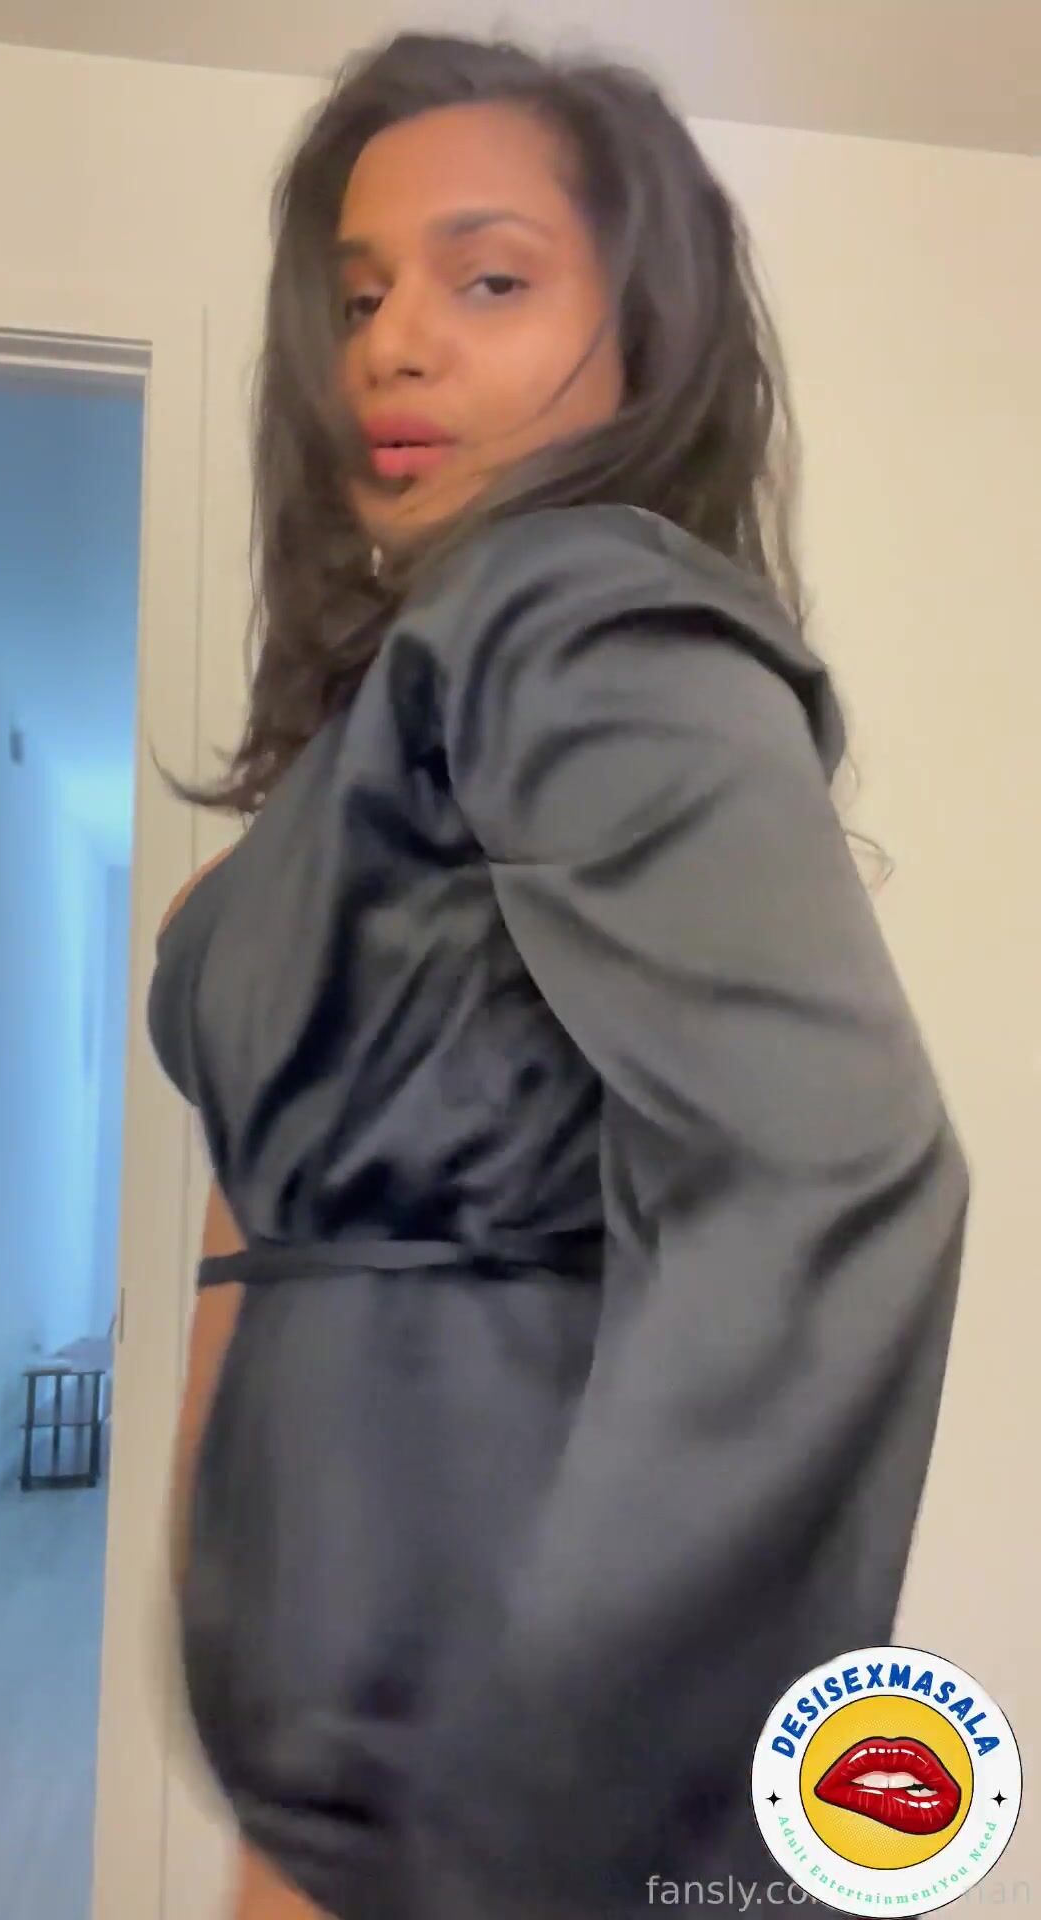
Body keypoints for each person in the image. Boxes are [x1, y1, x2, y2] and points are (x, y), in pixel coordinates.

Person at [149, 31, 969, 1920]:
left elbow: (839, 1181)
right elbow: (268, 1221)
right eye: (362, 295)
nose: (392, 345)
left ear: (644, 338)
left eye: (491, 280)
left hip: (474, 1770)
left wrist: (570, 1752)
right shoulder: (408, 696)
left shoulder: (575, 601)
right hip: (334, 1729)